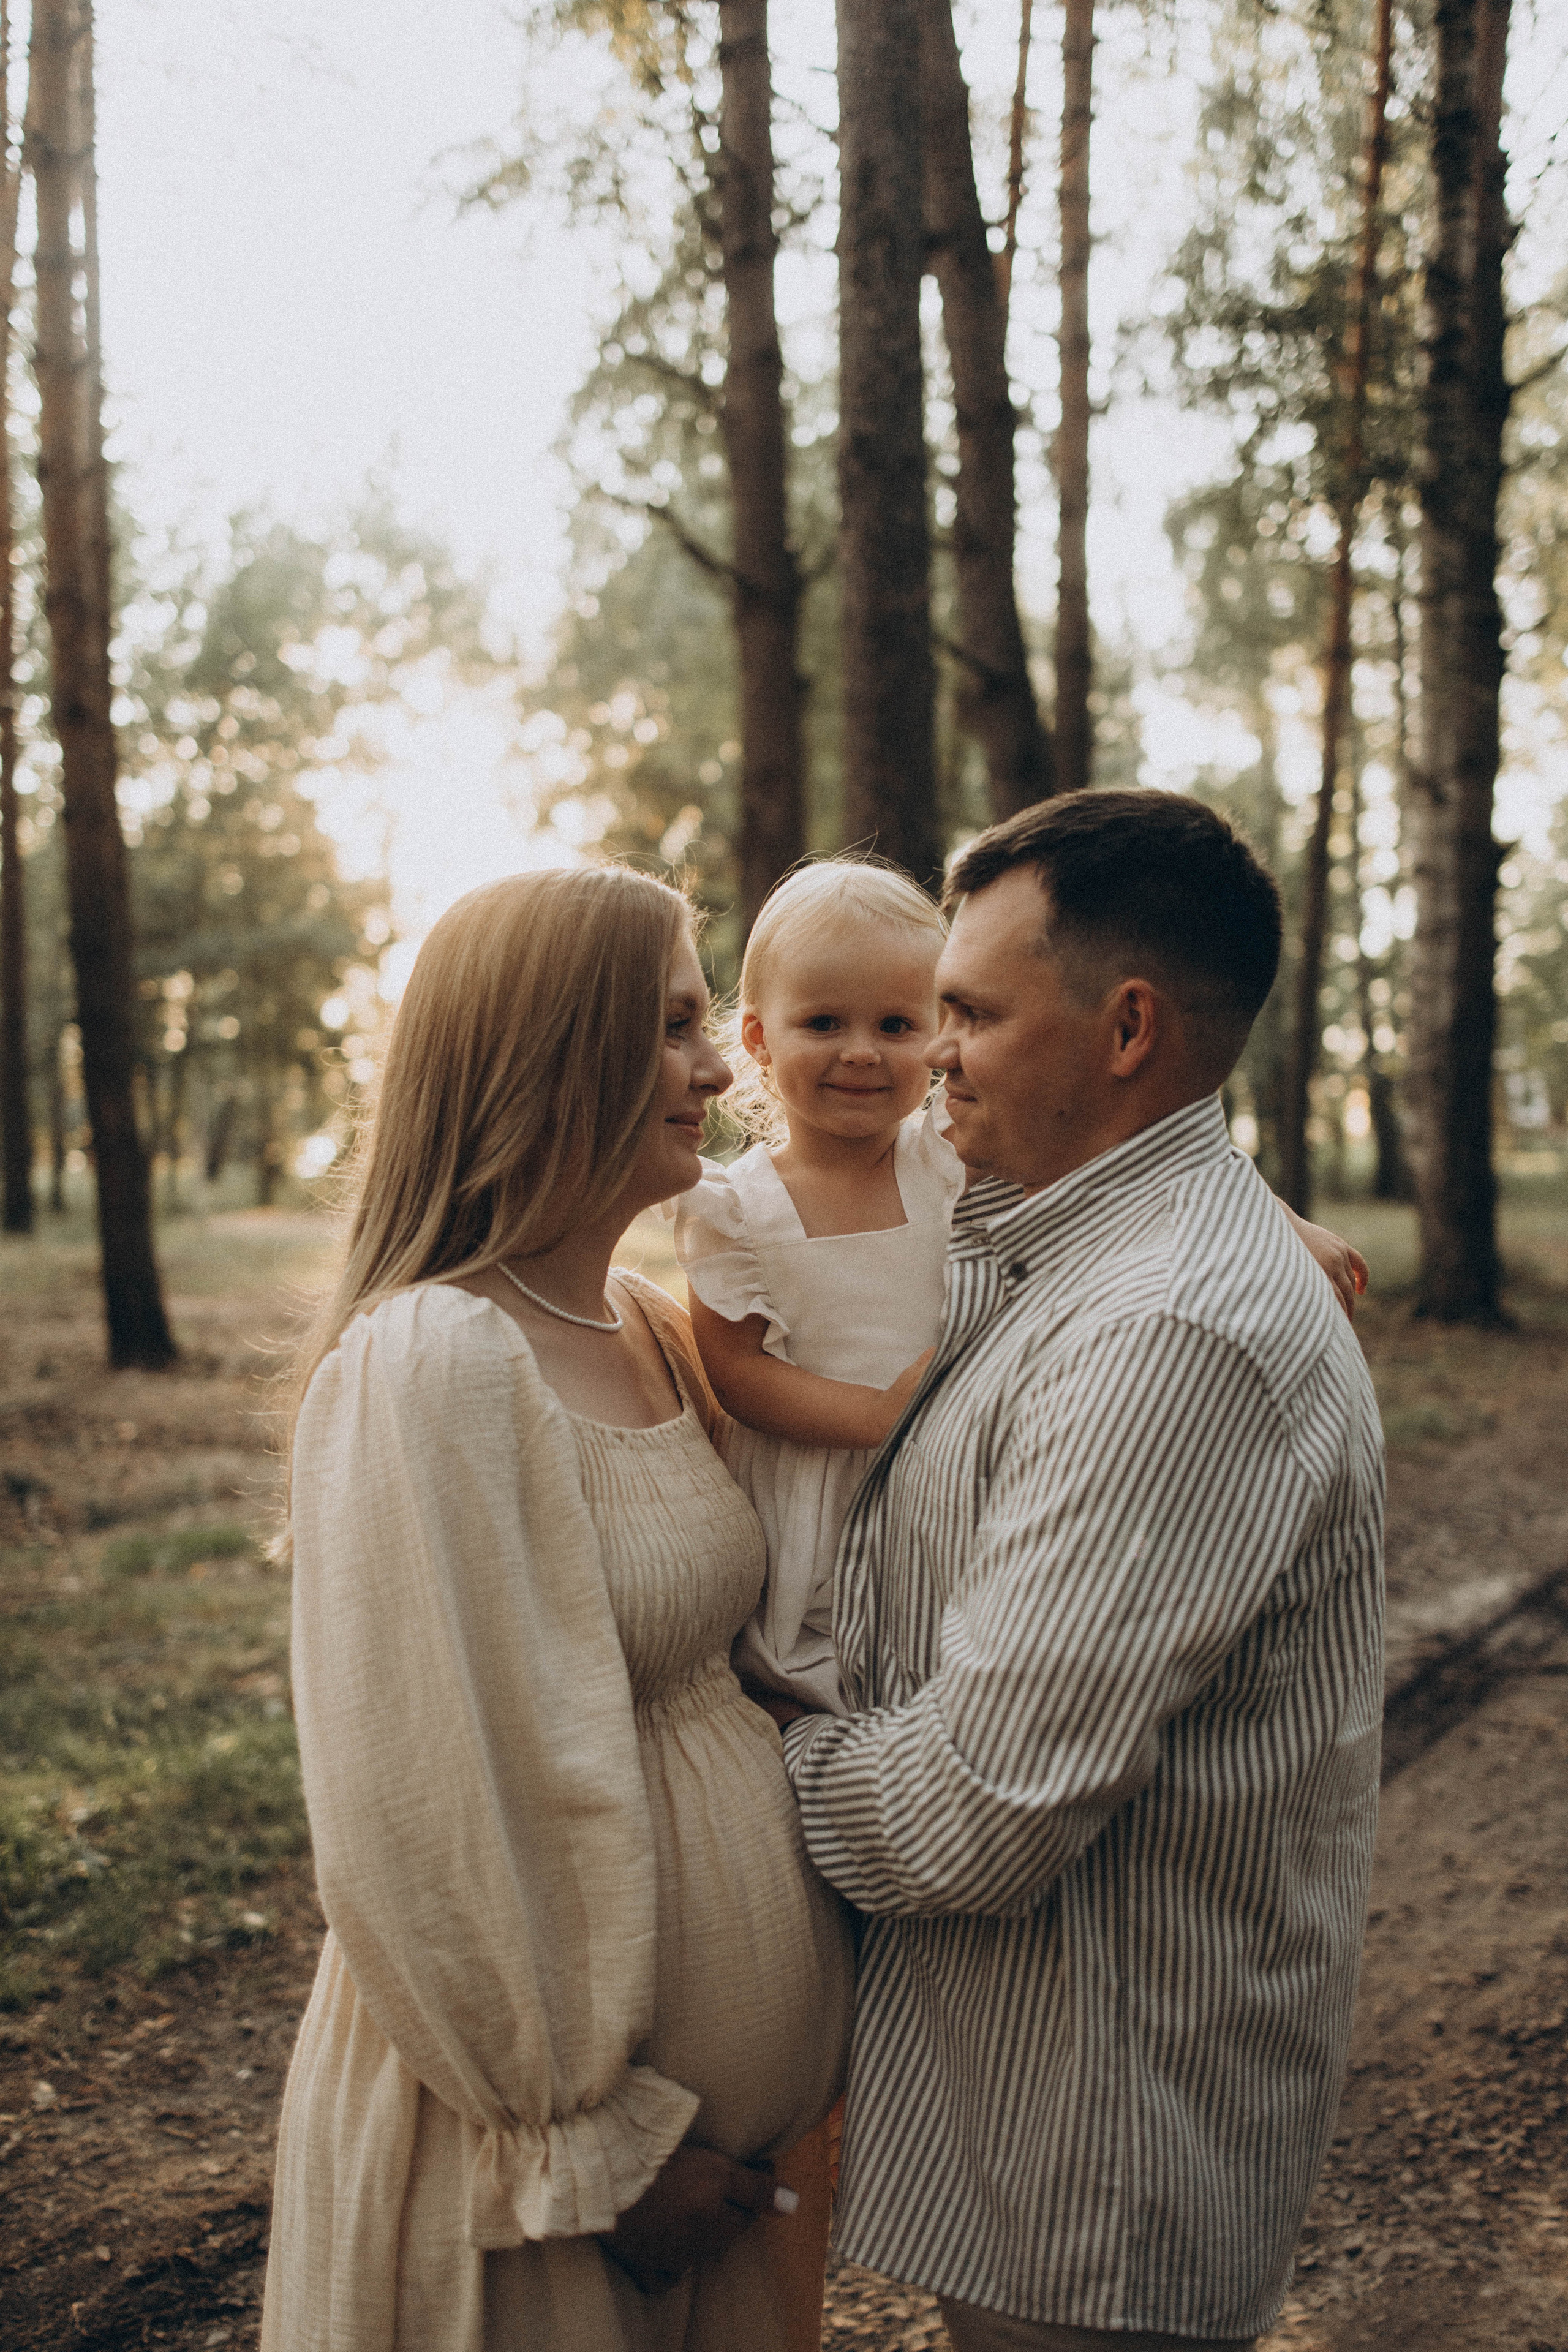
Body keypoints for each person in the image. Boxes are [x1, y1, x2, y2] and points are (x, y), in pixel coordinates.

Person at [778, 792, 1386, 2352]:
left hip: (1105, 2143)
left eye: (967, 1015)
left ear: (1125, 1031)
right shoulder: (1064, 1216)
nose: (927, 1059)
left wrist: (734, 1765)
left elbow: (974, 1813)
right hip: (1036, 2106)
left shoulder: (1166, 1332)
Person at [260, 865, 854, 2352]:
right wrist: (592, 2150)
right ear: (549, 1052)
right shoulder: (438, 1362)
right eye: (669, 1028)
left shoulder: (650, 1330)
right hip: (543, 2195)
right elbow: (424, 1810)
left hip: (728, 2192)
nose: (720, 1069)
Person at [676, 854, 1367, 1721]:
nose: (861, 1052)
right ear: (759, 1041)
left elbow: (1131, 1156)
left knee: (971, 1638)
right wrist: (880, 1417)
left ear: (936, 1036)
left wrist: (1278, 1219)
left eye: (896, 1024)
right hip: (827, 1467)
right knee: (827, 1661)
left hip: (965, 1454)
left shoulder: (947, 1150)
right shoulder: (736, 1208)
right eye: (823, 1022)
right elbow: (734, 1371)